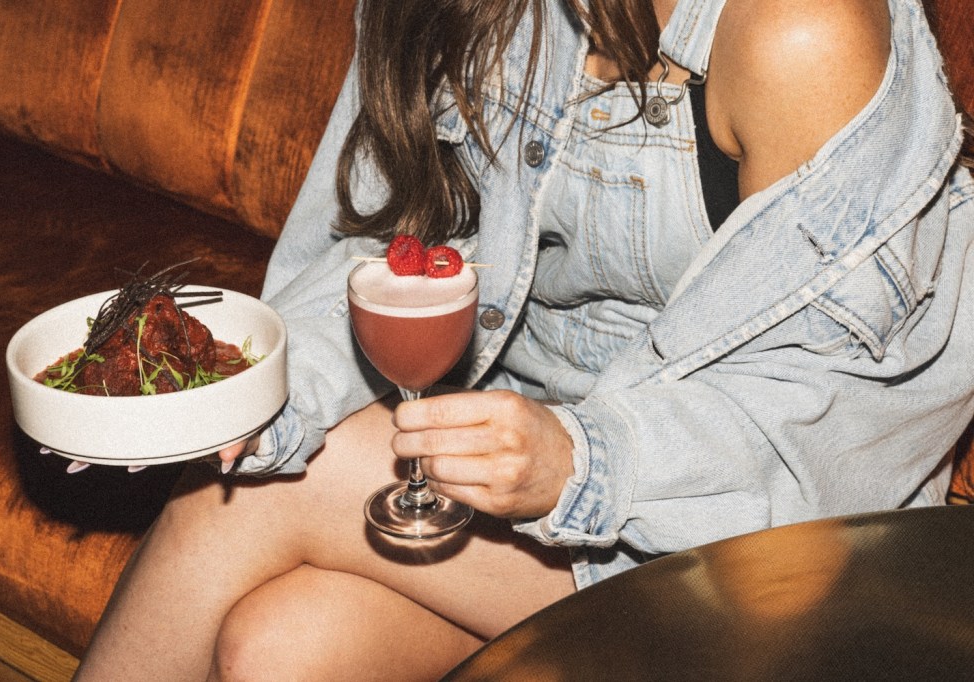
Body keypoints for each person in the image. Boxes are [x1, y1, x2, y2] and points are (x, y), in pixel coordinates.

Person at [75, 0, 974, 679]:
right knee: (282, 647)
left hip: (759, 549)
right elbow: (392, 251)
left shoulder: (801, 29)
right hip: (531, 491)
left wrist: (580, 462)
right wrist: (247, 395)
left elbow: (832, 422)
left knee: (249, 497)